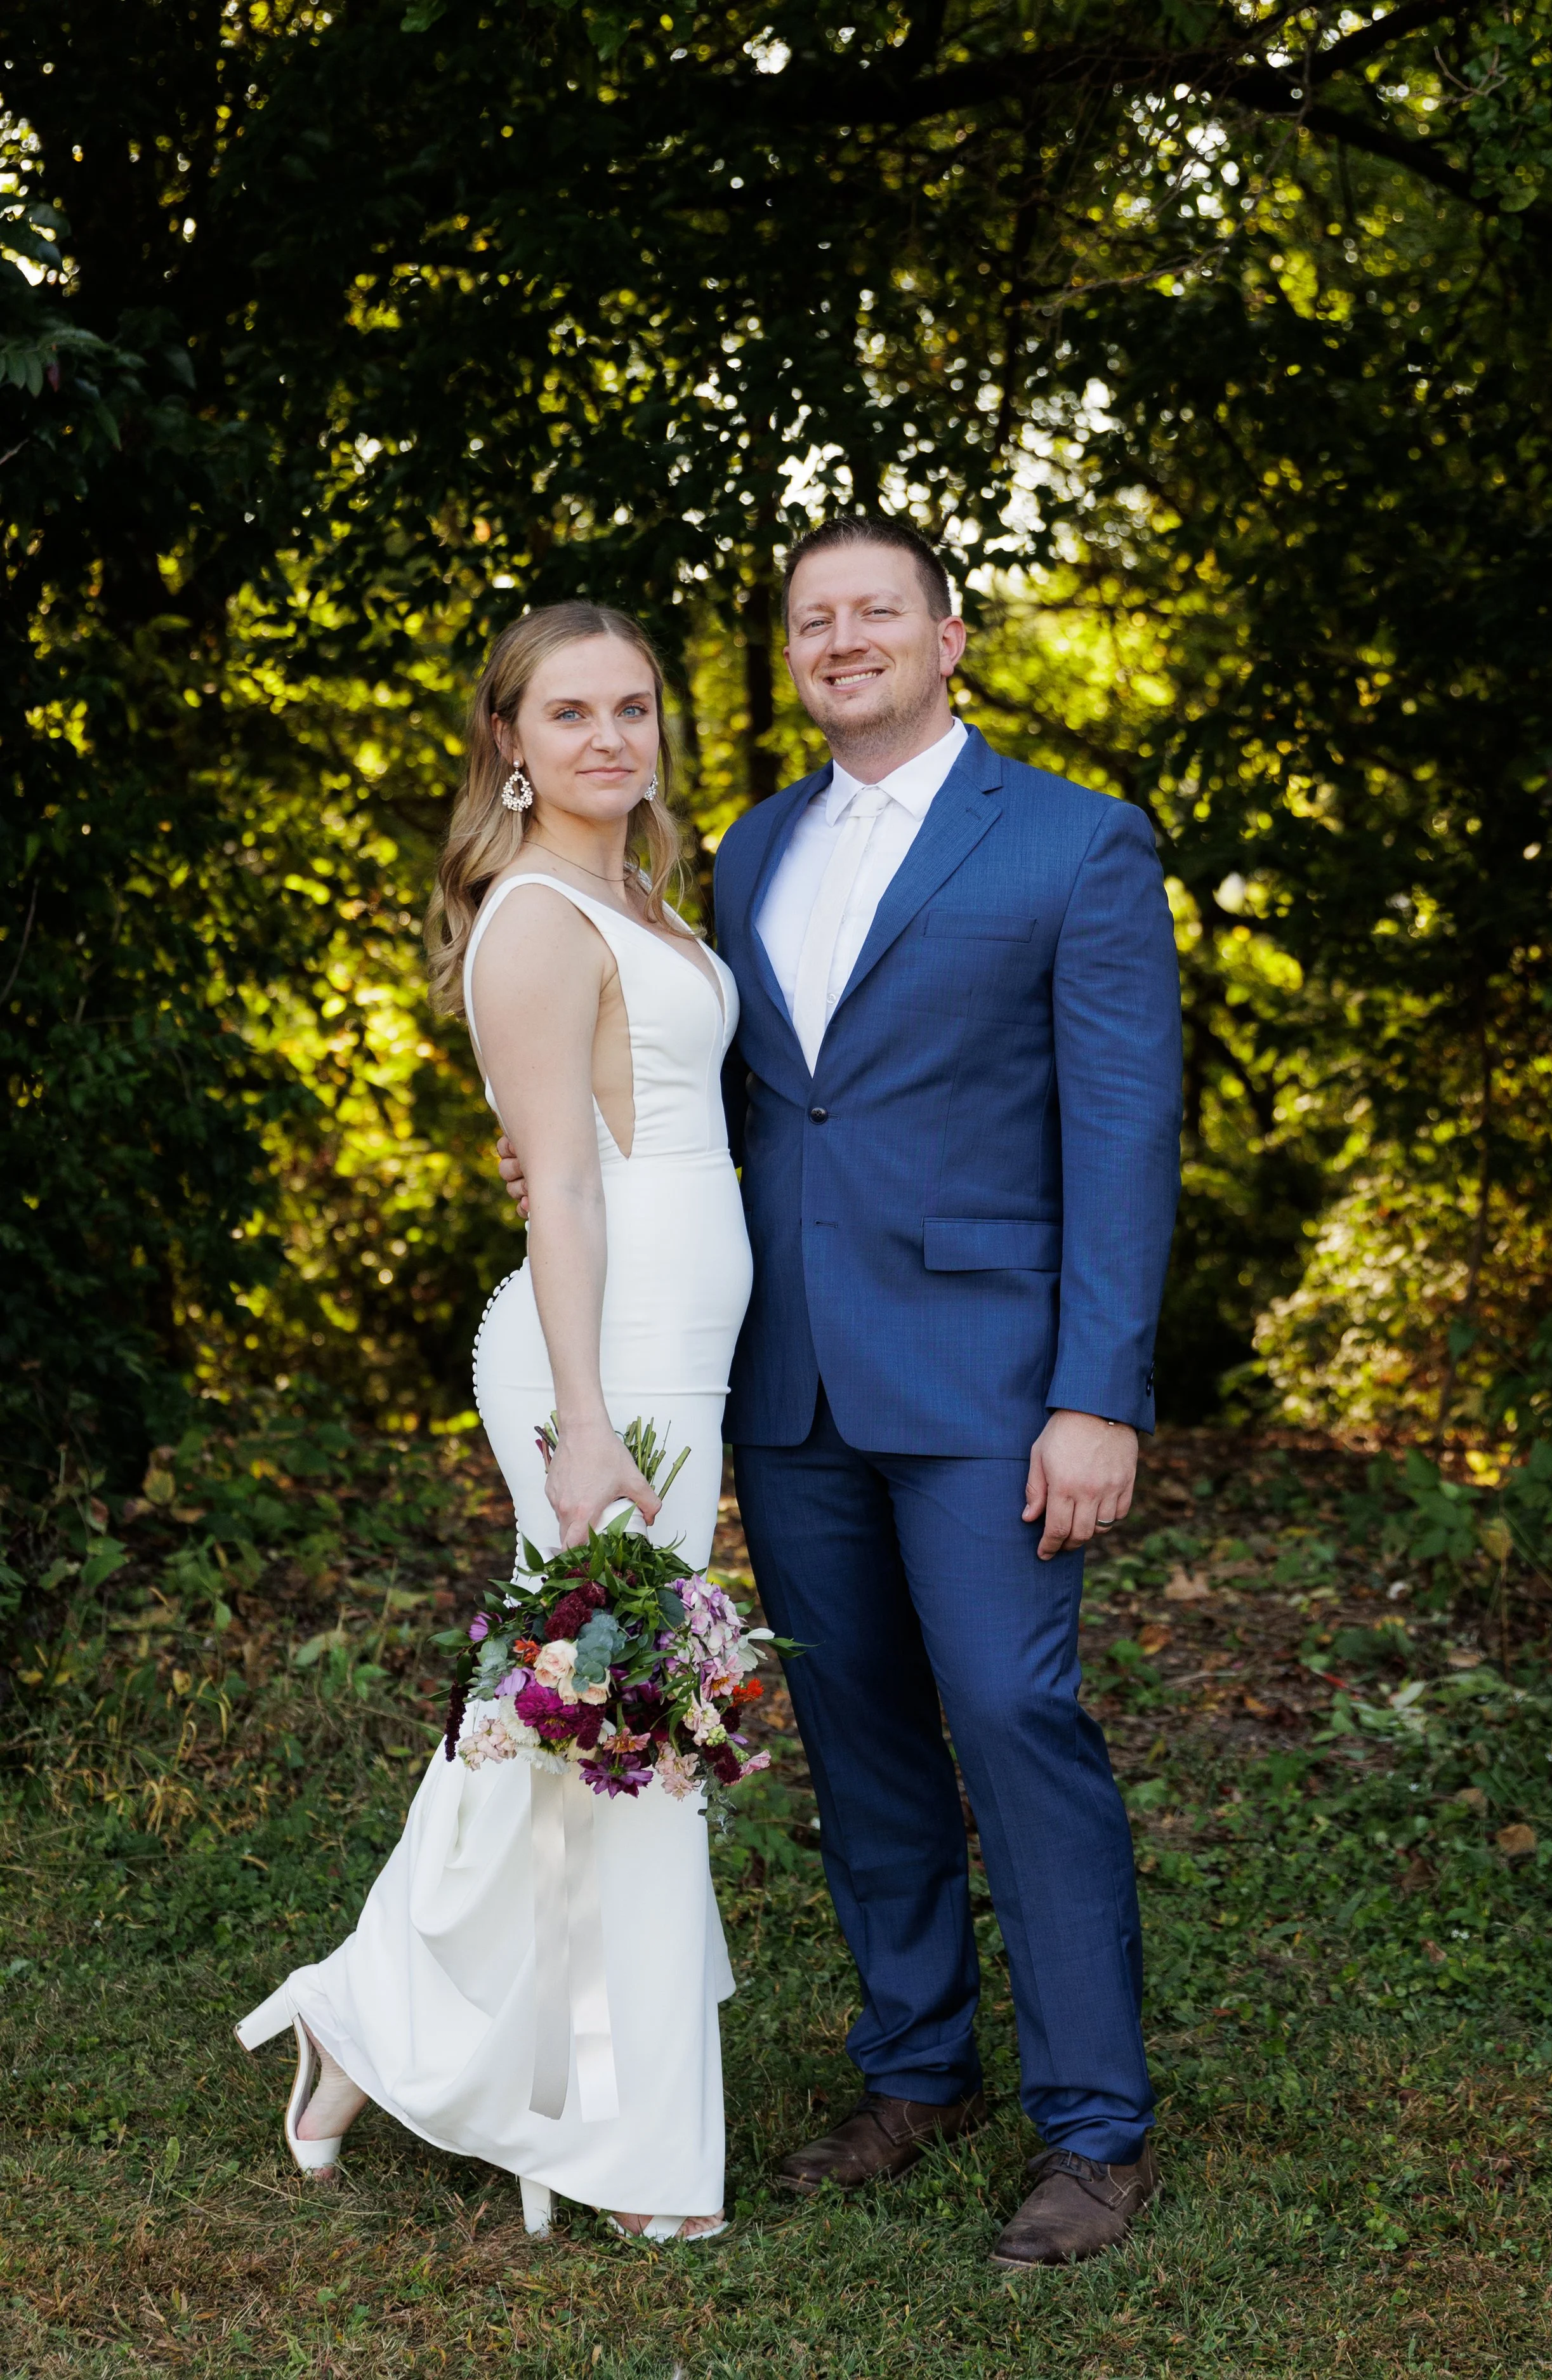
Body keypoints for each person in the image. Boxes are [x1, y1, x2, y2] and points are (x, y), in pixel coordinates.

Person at [502, 517, 1181, 2266]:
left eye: (878, 608)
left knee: (1017, 1721)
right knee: (858, 1733)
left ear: (950, 637)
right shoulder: (748, 854)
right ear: (792, 654)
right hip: (787, 1377)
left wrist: (1094, 1391)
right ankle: (912, 2061)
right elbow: (711, 1103)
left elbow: (1120, 1135)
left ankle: (1093, 2125)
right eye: (814, 618)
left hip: (988, 1383)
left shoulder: (1072, 841)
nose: (845, 635)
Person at [236, 602, 752, 2243]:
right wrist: (587, 1420)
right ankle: (625, 2141)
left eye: (634, 706)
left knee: (569, 1729)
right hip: (608, 1362)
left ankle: (368, 2022)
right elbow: (569, 1183)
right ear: (508, 746)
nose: (610, 736)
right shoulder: (535, 916)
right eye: (570, 712)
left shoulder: (641, 893)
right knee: (616, 1722)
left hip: (677, 1344)